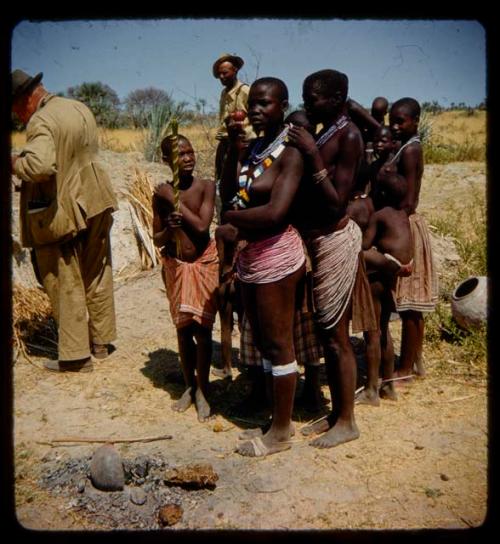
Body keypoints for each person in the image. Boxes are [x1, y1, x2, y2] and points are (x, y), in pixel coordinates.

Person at [287, 69, 377, 449]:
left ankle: (348, 422)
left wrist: (310, 153)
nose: (309, 104)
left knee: (337, 337)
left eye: (316, 98)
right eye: (306, 97)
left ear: (339, 97)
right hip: (315, 239)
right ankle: (336, 413)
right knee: (327, 333)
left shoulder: (348, 135)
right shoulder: (326, 130)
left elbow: (337, 200)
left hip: (335, 239)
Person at [220, 77, 306, 457]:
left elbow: (275, 212)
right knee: (266, 345)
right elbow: (232, 194)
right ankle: (276, 419)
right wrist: (231, 149)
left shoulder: (291, 152)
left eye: (265, 103)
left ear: (283, 105)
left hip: (276, 255)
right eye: (253, 102)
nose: (256, 109)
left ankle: (282, 434)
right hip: (252, 256)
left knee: (278, 343)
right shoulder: (255, 148)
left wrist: (233, 221)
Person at [11, 69, 118, 373]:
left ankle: (75, 356)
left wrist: (15, 162)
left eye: (16, 109)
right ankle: (101, 342)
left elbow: (41, 165)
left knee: (63, 278)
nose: (18, 117)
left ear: (25, 99)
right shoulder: (78, 106)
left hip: (65, 209)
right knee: (97, 271)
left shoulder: (40, 120)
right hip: (97, 199)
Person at [152, 134, 218, 422]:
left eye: (191, 152)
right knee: (182, 329)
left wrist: (176, 205)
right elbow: (157, 237)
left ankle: (203, 389)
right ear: (168, 161)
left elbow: (203, 227)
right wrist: (168, 226)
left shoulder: (206, 187)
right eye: (181, 155)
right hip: (176, 266)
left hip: (203, 263)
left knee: (202, 331)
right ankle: (189, 386)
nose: (189, 158)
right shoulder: (161, 194)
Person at [385, 97, 438, 381]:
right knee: (411, 304)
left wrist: (392, 228)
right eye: (391, 120)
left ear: (415, 121)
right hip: (404, 225)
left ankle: (405, 369)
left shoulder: (410, 151)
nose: (394, 126)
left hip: (406, 225)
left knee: (410, 305)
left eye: (399, 121)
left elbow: (407, 199)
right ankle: (414, 361)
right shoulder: (405, 147)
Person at [212, 53, 255, 381]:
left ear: (236, 71)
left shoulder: (245, 90)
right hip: (228, 142)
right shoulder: (225, 94)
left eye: (227, 73)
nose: (224, 78)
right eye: (220, 75)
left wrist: (238, 137)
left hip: (243, 141)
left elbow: (244, 121)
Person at [359, 171, 414, 404]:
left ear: (379, 193)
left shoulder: (379, 215)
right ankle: (388, 385)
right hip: (393, 277)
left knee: (372, 332)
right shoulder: (402, 214)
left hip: (378, 278)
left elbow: (363, 244)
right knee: (384, 330)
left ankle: (371, 389)